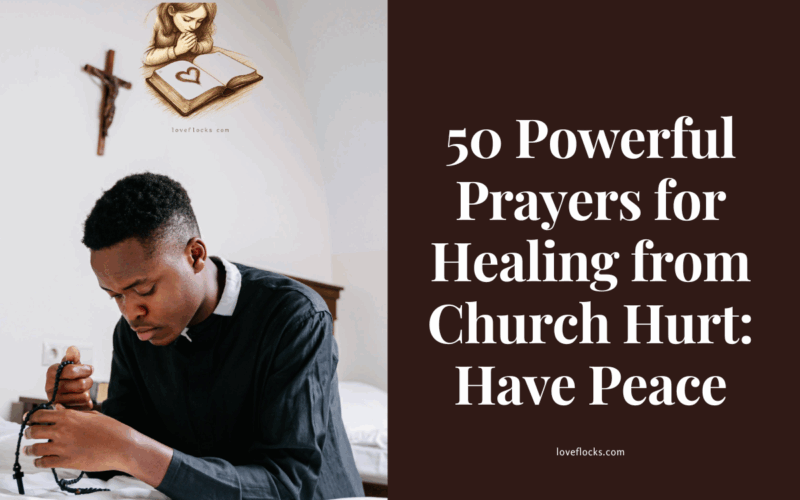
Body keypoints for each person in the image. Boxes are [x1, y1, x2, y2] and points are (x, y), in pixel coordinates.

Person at [24, 173, 364, 500]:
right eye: (115, 296)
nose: (129, 313)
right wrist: (85, 418)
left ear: (195, 255)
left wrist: (127, 448)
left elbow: (286, 486)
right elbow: (129, 450)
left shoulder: (294, 316)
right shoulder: (133, 335)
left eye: (144, 289)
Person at [144, 3, 217, 66]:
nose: (193, 26)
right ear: (172, 11)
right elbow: (145, 56)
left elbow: (208, 42)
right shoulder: (153, 19)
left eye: (199, 21)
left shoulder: (201, 16)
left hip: (184, 64)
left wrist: (196, 47)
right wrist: (176, 51)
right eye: (187, 19)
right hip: (158, 68)